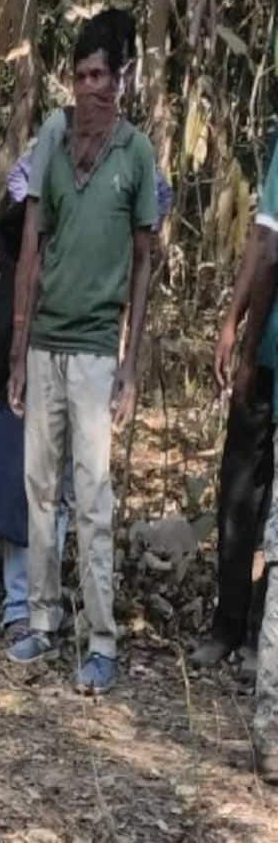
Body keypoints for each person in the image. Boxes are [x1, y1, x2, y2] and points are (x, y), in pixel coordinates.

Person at [5, 8, 160, 696]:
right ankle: (39, 621)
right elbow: (31, 242)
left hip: (97, 349)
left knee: (93, 496)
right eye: (79, 76)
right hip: (45, 343)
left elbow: (145, 258)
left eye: (100, 75)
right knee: (41, 488)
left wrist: (130, 362)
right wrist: (17, 343)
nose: (88, 87)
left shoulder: (137, 152)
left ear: (121, 79)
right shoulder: (53, 136)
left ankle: (101, 641)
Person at [206, 141, 277, 669]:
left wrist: (245, 345)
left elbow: (267, 247)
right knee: (240, 487)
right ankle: (236, 628)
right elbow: (261, 238)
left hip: (267, 352)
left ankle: (251, 632)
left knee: (244, 488)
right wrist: (233, 319)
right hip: (267, 345)